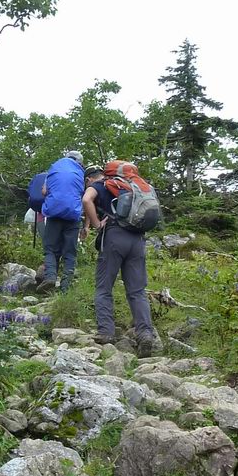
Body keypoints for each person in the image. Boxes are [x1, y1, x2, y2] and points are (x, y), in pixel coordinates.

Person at [83, 161, 156, 356]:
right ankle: (145, 334)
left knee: (104, 287)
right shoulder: (138, 186)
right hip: (138, 240)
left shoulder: (102, 185)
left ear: (108, 173)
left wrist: (97, 224)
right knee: (137, 291)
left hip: (115, 237)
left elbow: (86, 200)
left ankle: (106, 332)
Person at [38, 150, 85, 292]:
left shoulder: (55, 168)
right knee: (70, 252)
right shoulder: (80, 172)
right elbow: (83, 194)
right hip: (73, 215)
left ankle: (51, 277)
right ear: (79, 162)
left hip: (54, 213)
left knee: (50, 249)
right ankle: (65, 287)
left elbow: (44, 192)